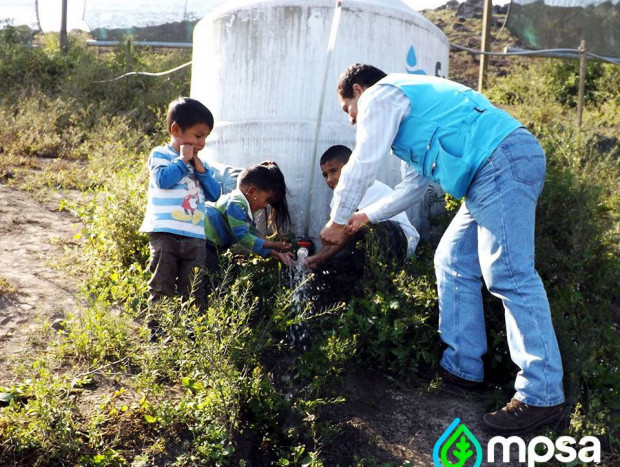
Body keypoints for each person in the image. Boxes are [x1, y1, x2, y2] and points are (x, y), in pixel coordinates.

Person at [320, 63, 565, 434]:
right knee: (451, 259)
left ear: (358, 90)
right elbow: (414, 187)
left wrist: (337, 219)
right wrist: (364, 216)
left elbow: (364, 161)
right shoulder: (411, 114)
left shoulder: (381, 95)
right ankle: (463, 368)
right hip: (489, 172)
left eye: (347, 110)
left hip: (499, 162)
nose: (352, 120)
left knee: (510, 274)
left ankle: (542, 395)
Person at [139, 97, 221, 308]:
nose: (202, 143)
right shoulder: (161, 154)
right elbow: (163, 180)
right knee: (161, 285)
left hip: (194, 236)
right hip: (165, 233)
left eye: (205, 137)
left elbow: (214, 194)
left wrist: (201, 171)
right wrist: (183, 161)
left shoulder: (201, 165)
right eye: (198, 135)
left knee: (194, 289)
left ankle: (192, 335)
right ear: (176, 130)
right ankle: (157, 332)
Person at [305, 144, 419, 272]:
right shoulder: (336, 199)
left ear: (349, 168)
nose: (330, 179)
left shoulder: (364, 186)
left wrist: (323, 257)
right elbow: (335, 235)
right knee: (337, 262)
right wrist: (316, 258)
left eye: (334, 171)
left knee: (370, 229)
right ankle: (362, 283)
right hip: (374, 238)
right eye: (325, 175)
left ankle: (384, 281)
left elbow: (347, 231)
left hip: (399, 238)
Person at [204, 161, 295, 271]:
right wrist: (273, 244)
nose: (264, 205)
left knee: (210, 276)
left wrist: (275, 253)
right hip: (202, 242)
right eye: (266, 200)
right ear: (252, 191)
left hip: (208, 245)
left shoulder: (240, 206)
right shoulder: (235, 204)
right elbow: (243, 237)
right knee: (208, 279)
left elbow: (252, 234)